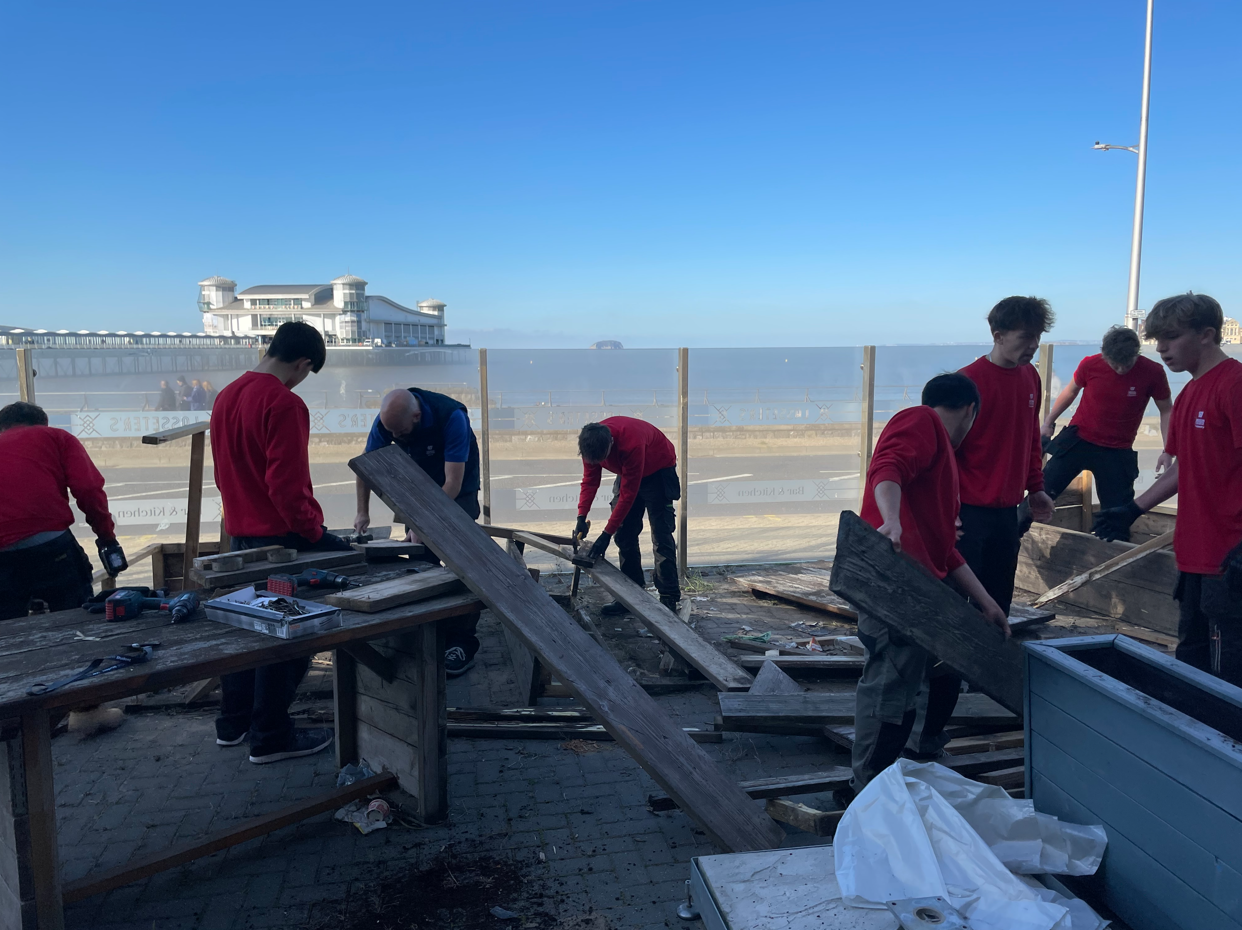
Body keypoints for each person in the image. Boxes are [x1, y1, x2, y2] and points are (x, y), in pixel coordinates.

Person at [846, 374, 1008, 796]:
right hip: (895, 586)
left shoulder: (943, 462)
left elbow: (946, 552)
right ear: (971, 410)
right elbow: (886, 468)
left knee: (901, 695)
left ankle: (878, 785)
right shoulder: (921, 422)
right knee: (888, 692)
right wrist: (891, 520)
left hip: (918, 591)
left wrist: (986, 602)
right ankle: (866, 792)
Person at [210, 321, 343, 764]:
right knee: (286, 640)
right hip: (279, 544)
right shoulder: (284, 404)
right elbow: (286, 486)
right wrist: (316, 534)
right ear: (303, 363)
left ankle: (233, 725)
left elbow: (224, 475)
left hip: (238, 538)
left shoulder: (226, 395)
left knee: (242, 631)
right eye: (307, 371)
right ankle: (270, 736)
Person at [1093, 294, 1242, 688]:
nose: (1160, 349)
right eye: (1157, 339)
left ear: (1207, 334)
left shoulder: (1234, 385)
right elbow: (1185, 467)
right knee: (1191, 660)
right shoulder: (1191, 392)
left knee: (1231, 668)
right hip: (1195, 553)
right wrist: (1133, 508)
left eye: (1171, 337)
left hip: (1230, 556)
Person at [354, 387, 483, 676]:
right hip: (419, 484)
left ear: (417, 415)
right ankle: (431, 632)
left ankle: (463, 643)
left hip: (456, 487)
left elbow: (452, 483)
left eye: (400, 432)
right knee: (420, 560)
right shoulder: (389, 422)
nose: (396, 437)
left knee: (461, 561)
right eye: (391, 433)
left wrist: (424, 525)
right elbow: (364, 467)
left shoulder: (452, 417)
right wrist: (363, 511)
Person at [955, 296, 1057, 616]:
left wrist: (1036, 487)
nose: (1034, 345)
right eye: (1025, 337)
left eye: (1038, 337)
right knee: (956, 602)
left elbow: (1030, 439)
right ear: (998, 335)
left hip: (1007, 512)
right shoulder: (966, 382)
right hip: (965, 511)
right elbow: (944, 452)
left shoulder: (1031, 378)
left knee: (998, 600)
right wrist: (945, 508)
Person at [1040, 326, 1172, 539]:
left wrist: (1168, 448)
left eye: (1126, 364)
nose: (1120, 369)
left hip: (1117, 451)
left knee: (1116, 518)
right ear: (1104, 355)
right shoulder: (1090, 364)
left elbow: (1166, 409)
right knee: (1040, 492)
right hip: (1079, 440)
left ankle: (1111, 563)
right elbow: (1070, 391)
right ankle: (1015, 537)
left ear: (1136, 355)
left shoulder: (1153, 372)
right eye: (1114, 364)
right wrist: (1048, 421)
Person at [0, 402, 126, 620]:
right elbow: (88, 489)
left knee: (7, 637)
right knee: (77, 620)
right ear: (43, 424)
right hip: (51, 546)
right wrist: (106, 537)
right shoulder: (57, 438)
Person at [574, 417, 681, 614]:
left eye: (601, 460)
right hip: (627, 469)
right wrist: (581, 516)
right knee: (624, 535)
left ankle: (668, 597)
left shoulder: (631, 443)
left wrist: (605, 535)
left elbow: (628, 495)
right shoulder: (591, 444)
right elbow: (590, 481)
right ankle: (632, 594)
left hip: (658, 470)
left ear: (611, 445)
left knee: (661, 534)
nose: (597, 464)